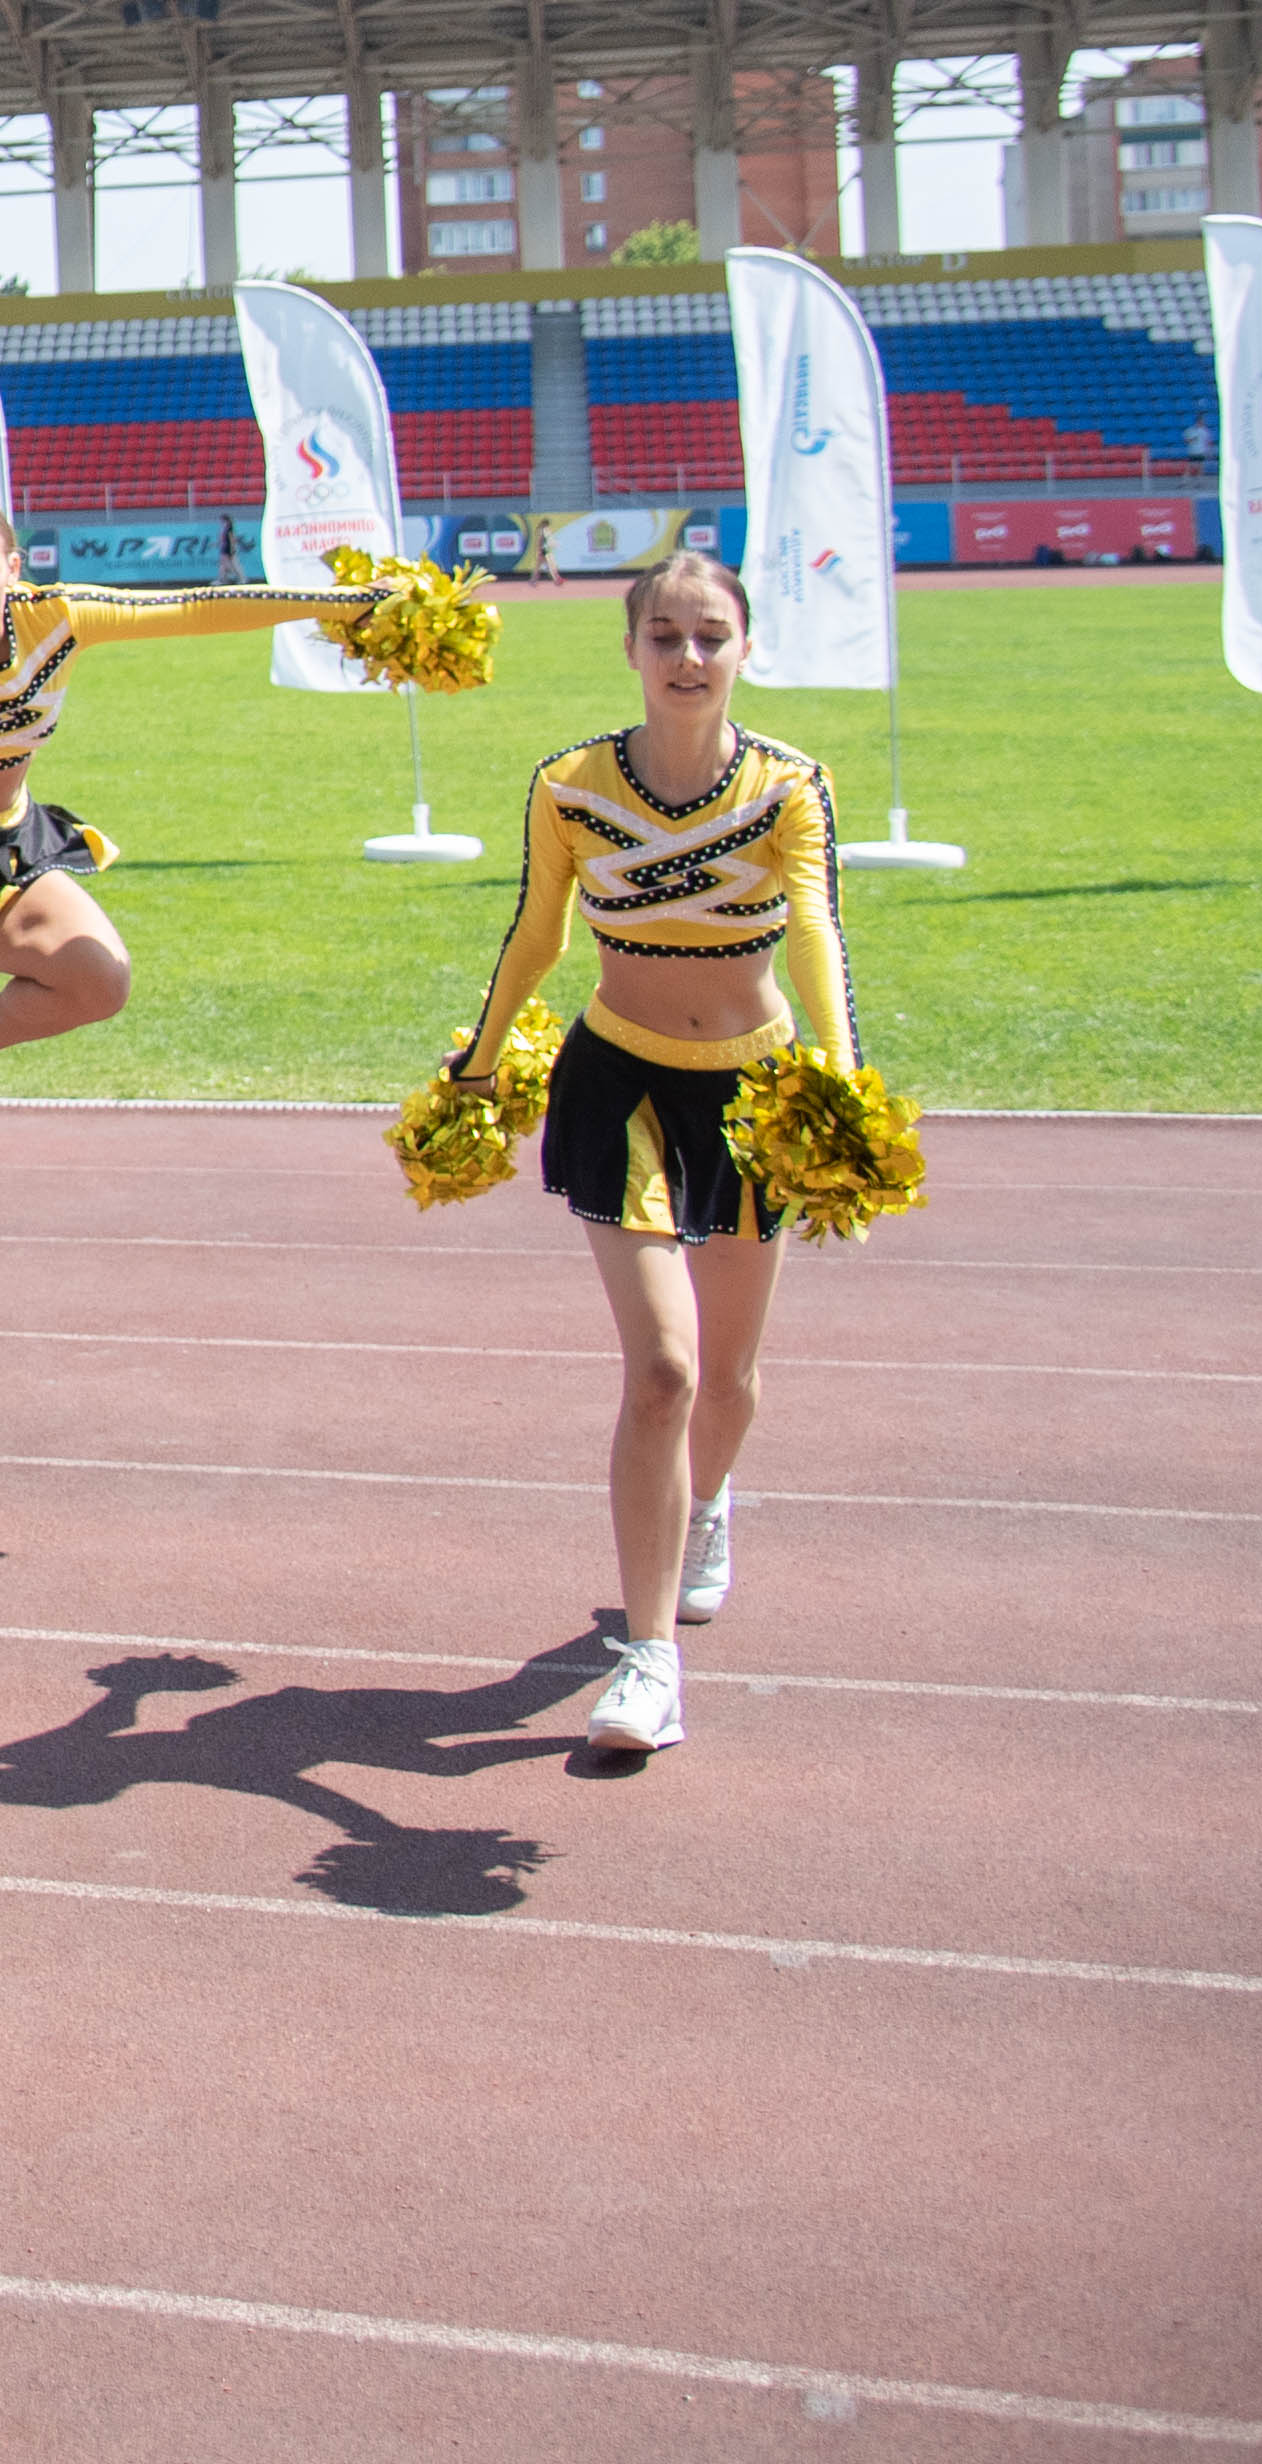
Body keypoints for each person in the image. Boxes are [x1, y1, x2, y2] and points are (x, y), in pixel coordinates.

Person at [443, 547, 863, 1761]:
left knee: (727, 1379)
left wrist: (836, 1066)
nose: (687, 656)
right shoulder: (570, 784)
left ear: (743, 647)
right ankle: (648, 1661)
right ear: (629, 647)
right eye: (665, 634)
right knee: (666, 1372)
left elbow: (818, 930)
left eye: (710, 635)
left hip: (749, 1095)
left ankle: (709, 1505)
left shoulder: (790, 784)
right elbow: (535, 928)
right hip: (614, 1079)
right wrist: (478, 1059)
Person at [0, 493, 418, 1144]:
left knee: (98, 983)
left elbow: (190, 609)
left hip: (1, 842)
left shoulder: (59, 618)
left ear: (15, 566)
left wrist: (339, 603)